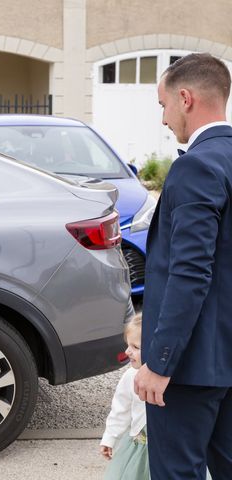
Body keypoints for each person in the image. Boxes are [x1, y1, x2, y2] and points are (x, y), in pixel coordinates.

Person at [134, 52, 232, 479]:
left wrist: (160, 362)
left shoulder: (196, 166)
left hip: (191, 367)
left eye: (163, 105)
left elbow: (190, 272)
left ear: (186, 98)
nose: (163, 118)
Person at [100, 314, 149, 479]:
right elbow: (120, 410)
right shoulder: (130, 377)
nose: (128, 351)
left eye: (135, 347)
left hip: (169, 449)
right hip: (138, 449)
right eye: (128, 345)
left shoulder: (168, 379)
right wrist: (110, 438)